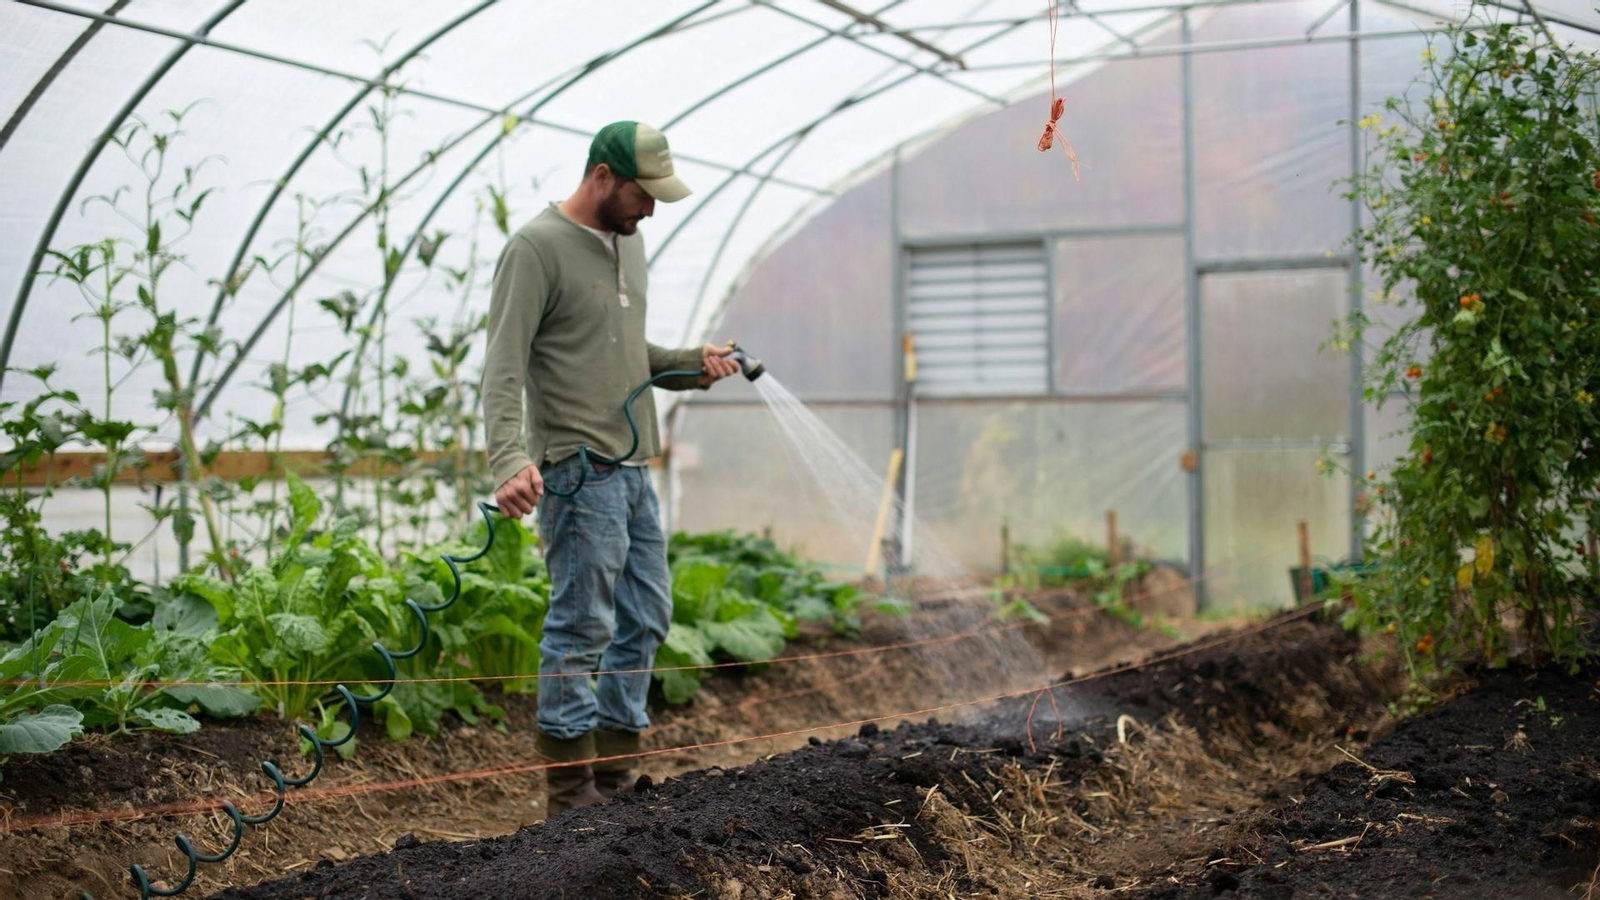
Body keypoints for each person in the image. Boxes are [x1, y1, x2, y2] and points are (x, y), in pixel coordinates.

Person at [480, 120, 740, 817]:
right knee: (581, 626)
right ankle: (571, 794)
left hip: (632, 468)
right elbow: (503, 365)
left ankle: (617, 780)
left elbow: (625, 354)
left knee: (647, 614)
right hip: (577, 470)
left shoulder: (631, 242)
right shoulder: (535, 249)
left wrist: (690, 364)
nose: (650, 208)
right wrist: (508, 458)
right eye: (642, 194)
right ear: (602, 176)